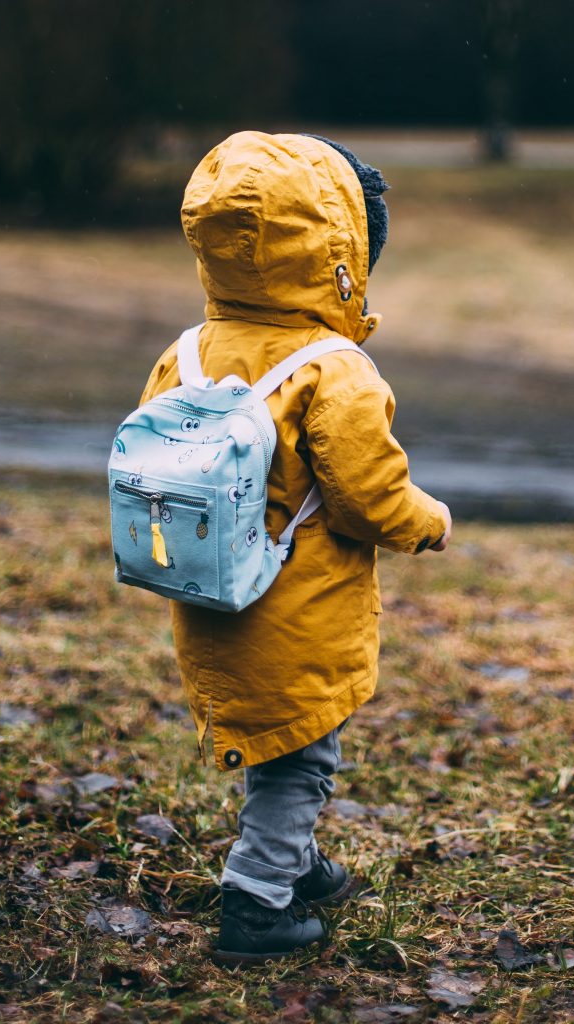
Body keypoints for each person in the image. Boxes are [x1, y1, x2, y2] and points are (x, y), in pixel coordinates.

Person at [138, 131, 451, 965]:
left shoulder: (189, 354)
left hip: (211, 597)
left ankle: (297, 862)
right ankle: (259, 899)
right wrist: (428, 520)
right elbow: (367, 494)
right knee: (303, 757)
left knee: (279, 740)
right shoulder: (333, 369)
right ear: (340, 255)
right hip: (297, 608)